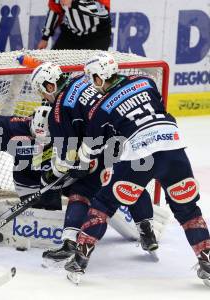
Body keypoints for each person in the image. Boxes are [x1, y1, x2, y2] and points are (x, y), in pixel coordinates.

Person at [58, 52, 210, 286]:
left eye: (92, 79)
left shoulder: (100, 107)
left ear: (100, 78)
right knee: (188, 209)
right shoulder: (146, 81)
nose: (92, 84)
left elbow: (89, 148)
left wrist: (80, 162)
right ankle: (207, 261)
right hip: (173, 148)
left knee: (103, 204)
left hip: (140, 156)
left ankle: (79, 260)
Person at [28, 64, 158, 266]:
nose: (44, 97)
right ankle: (147, 230)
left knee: (82, 190)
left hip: (99, 148)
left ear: (50, 85)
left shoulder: (59, 111)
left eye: (42, 91)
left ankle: (70, 243)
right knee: (131, 182)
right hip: (131, 136)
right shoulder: (83, 79)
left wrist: (51, 177)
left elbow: (66, 160)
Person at [37, 0, 111, 50]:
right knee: (55, 66)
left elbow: (102, 12)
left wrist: (74, 3)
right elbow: (55, 10)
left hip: (97, 36)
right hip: (71, 35)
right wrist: (45, 37)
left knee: (95, 68)